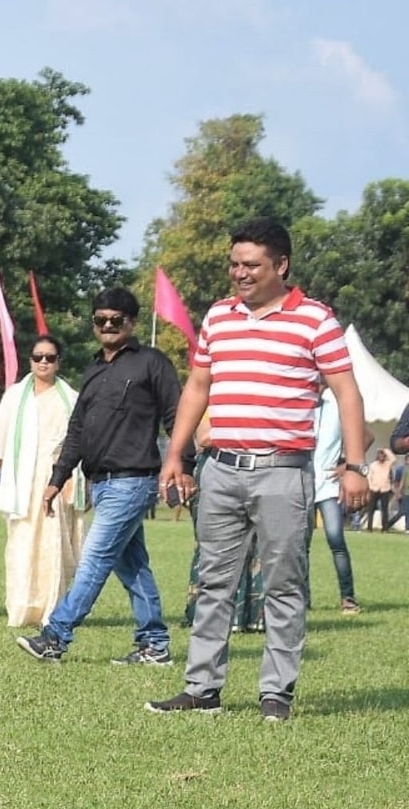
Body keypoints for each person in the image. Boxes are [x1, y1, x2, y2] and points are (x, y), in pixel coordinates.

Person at [151, 217, 369, 722]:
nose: (240, 274)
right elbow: (197, 388)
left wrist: (354, 465)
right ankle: (201, 688)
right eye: (234, 265)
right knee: (213, 583)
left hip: (283, 473)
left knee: (284, 585)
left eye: (251, 265)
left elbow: (347, 392)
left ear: (281, 265)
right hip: (220, 469)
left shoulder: (315, 320)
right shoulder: (219, 317)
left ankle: (276, 694)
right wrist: (175, 454)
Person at [16, 287, 183, 664]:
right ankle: (154, 645)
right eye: (100, 320)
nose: (108, 326)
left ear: (132, 322)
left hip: (133, 479)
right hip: (101, 482)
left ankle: (55, 636)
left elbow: (177, 416)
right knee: (133, 567)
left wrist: (183, 464)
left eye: (116, 320)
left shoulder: (152, 363)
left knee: (93, 559)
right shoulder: (93, 370)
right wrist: (57, 478)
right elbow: (77, 429)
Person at [0, 336, 85, 628]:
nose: (44, 362)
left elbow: (78, 443)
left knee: (53, 544)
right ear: (30, 361)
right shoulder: (14, 396)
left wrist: (72, 480)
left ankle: (53, 608)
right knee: (22, 544)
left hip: (56, 479)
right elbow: (0, 437)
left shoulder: (71, 398)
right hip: (20, 478)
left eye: (50, 357)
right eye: (38, 357)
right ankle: (23, 607)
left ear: (59, 362)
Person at [181, 418, 265, 632]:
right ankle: (207, 614)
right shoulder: (209, 397)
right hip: (216, 467)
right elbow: (204, 437)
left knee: (256, 549)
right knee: (212, 546)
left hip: (258, 467)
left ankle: (251, 616)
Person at [312, 388, 360, 615]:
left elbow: (365, 436)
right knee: (298, 545)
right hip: (298, 483)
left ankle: (348, 598)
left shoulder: (336, 405)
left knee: (336, 540)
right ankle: (301, 599)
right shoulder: (297, 404)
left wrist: (346, 467)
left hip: (328, 486)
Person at [365, 448, 393, 531]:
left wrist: (385, 450)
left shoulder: (388, 464)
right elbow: (369, 477)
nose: (381, 457)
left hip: (385, 489)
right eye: (380, 455)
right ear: (377, 456)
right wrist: (371, 486)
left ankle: (385, 528)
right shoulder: (373, 465)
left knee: (384, 510)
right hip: (374, 489)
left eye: (383, 455)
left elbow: (393, 458)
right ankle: (369, 527)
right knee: (371, 509)